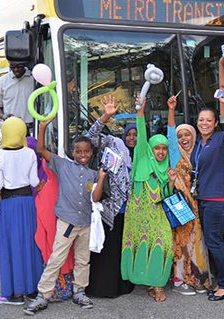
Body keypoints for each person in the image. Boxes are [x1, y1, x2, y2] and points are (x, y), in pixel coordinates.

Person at [24, 118, 102, 315]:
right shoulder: (63, 165)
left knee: (83, 259)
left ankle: (79, 291)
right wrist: (42, 127)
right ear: (73, 152)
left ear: (91, 153)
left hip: (85, 223)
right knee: (56, 258)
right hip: (67, 223)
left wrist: (101, 179)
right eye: (78, 151)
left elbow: (95, 197)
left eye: (86, 151)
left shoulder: (93, 174)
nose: (82, 155)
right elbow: (41, 150)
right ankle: (43, 295)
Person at [121, 98, 176, 303]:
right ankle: (150, 284)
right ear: (150, 150)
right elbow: (142, 135)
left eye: (163, 148)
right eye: (157, 148)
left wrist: (170, 182)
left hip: (158, 214)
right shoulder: (142, 157)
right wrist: (140, 112)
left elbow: (167, 195)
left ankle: (159, 285)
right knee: (140, 245)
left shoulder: (166, 168)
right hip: (137, 214)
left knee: (163, 244)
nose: (161, 152)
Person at [190, 85, 224, 301]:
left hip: (220, 199)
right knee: (214, 241)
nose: (204, 123)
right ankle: (223, 279)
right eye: (201, 120)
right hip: (205, 198)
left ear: (215, 123)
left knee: (214, 241)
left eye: (209, 120)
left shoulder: (220, 139)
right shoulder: (199, 143)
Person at [85, 95, 134, 298]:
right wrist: (105, 116)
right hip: (108, 207)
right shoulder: (112, 143)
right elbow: (90, 138)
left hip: (129, 210)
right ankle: (100, 287)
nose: (132, 138)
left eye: (136, 134)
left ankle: (119, 285)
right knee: (104, 249)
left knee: (119, 250)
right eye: (129, 134)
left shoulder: (143, 154)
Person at [0, 117, 43, 305]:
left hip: (10, 204)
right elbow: (35, 182)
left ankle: (14, 295)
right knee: (29, 244)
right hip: (27, 203)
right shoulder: (29, 153)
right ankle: (32, 290)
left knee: (11, 245)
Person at [166, 95, 211, 296]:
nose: (184, 139)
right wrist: (171, 110)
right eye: (180, 136)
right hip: (181, 206)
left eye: (187, 135)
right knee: (180, 241)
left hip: (197, 205)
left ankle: (197, 277)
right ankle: (178, 279)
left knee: (197, 241)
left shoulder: (200, 152)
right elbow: (169, 135)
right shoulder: (176, 155)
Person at [0, 62, 34, 126]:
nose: (16, 69)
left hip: (32, 127)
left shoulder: (34, 79)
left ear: (24, 65)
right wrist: (4, 116)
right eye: (12, 67)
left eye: (19, 66)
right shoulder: (1, 82)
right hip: (11, 127)